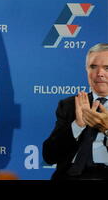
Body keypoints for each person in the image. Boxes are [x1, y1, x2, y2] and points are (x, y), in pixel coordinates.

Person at [43, 43, 108, 180]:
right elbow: (49, 156)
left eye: (107, 68)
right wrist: (77, 126)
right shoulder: (69, 105)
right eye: (93, 67)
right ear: (86, 70)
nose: (100, 73)